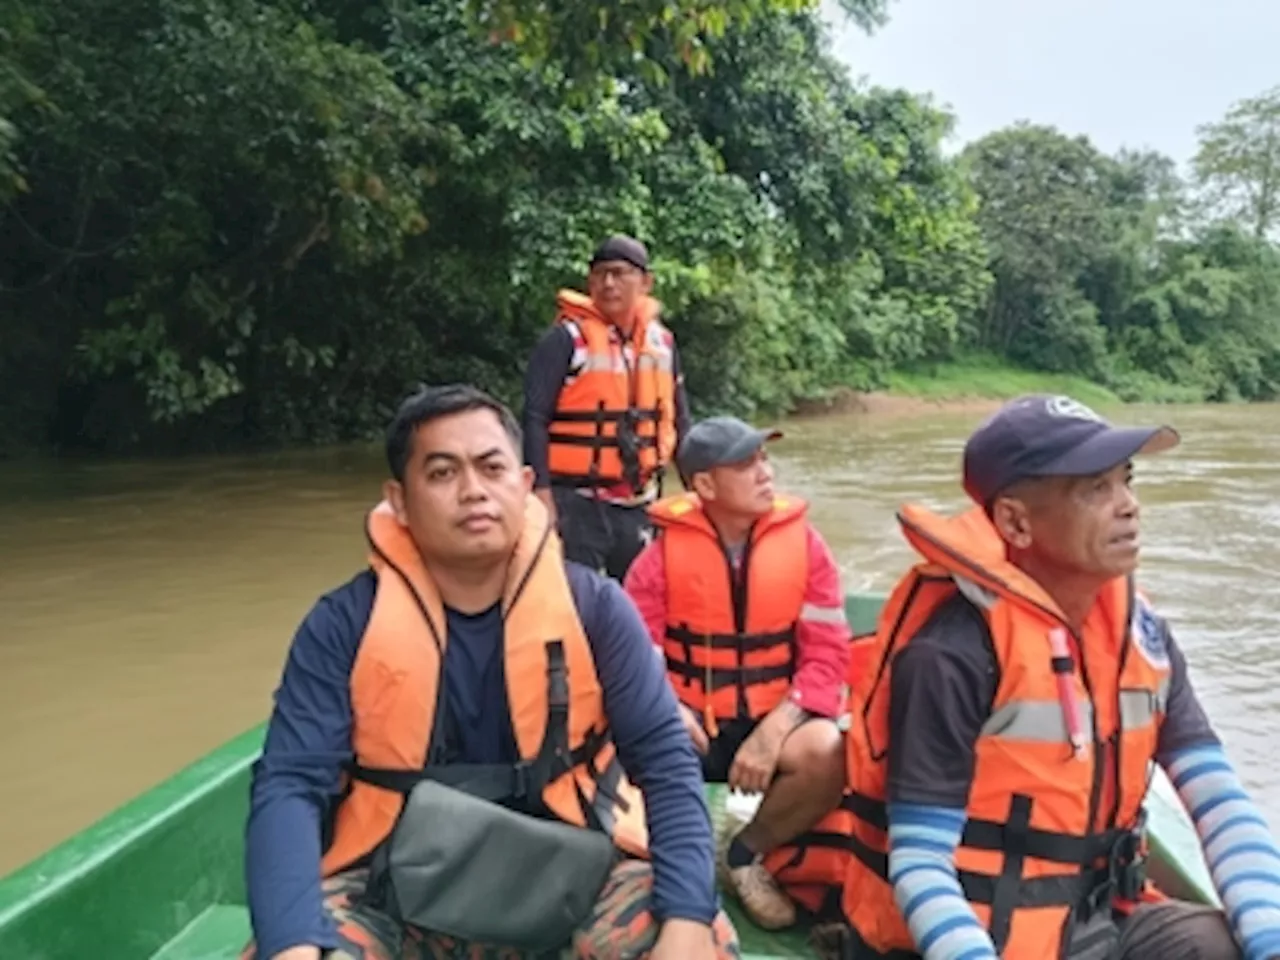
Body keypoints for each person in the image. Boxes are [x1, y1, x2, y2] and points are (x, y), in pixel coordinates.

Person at [242, 384, 740, 960]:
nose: (473, 491)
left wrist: (686, 921)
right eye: (442, 473)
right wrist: (292, 946)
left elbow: (665, 761)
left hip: (572, 873)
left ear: (525, 486)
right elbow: (290, 786)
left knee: (693, 938)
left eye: (491, 467)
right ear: (398, 501)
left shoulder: (596, 608)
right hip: (392, 889)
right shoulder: (341, 625)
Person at [837, 394, 1280, 959]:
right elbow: (921, 861)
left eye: (1127, 480)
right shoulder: (952, 652)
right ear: (1016, 522)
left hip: (1090, 922)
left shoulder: (1141, 636)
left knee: (1223, 945)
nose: (1129, 506)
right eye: (1096, 489)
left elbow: (1219, 801)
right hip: (968, 940)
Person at [624, 416, 850, 931]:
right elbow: (636, 659)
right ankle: (653, 865)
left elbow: (829, 656)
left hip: (775, 717)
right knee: (619, 746)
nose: (764, 472)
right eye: (746, 464)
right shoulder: (656, 560)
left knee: (830, 752)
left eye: (764, 459)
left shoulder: (808, 548)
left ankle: (743, 855)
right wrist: (669, 711)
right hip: (689, 725)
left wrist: (777, 727)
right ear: (705, 485)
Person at [521, 235, 691, 582]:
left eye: (618, 273)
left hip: (639, 502)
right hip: (576, 503)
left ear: (645, 282)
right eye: (599, 275)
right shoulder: (566, 340)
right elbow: (534, 418)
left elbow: (680, 421)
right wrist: (541, 497)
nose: (607, 283)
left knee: (636, 603)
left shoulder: (662, 344)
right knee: (579, 603)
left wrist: (696, 496)